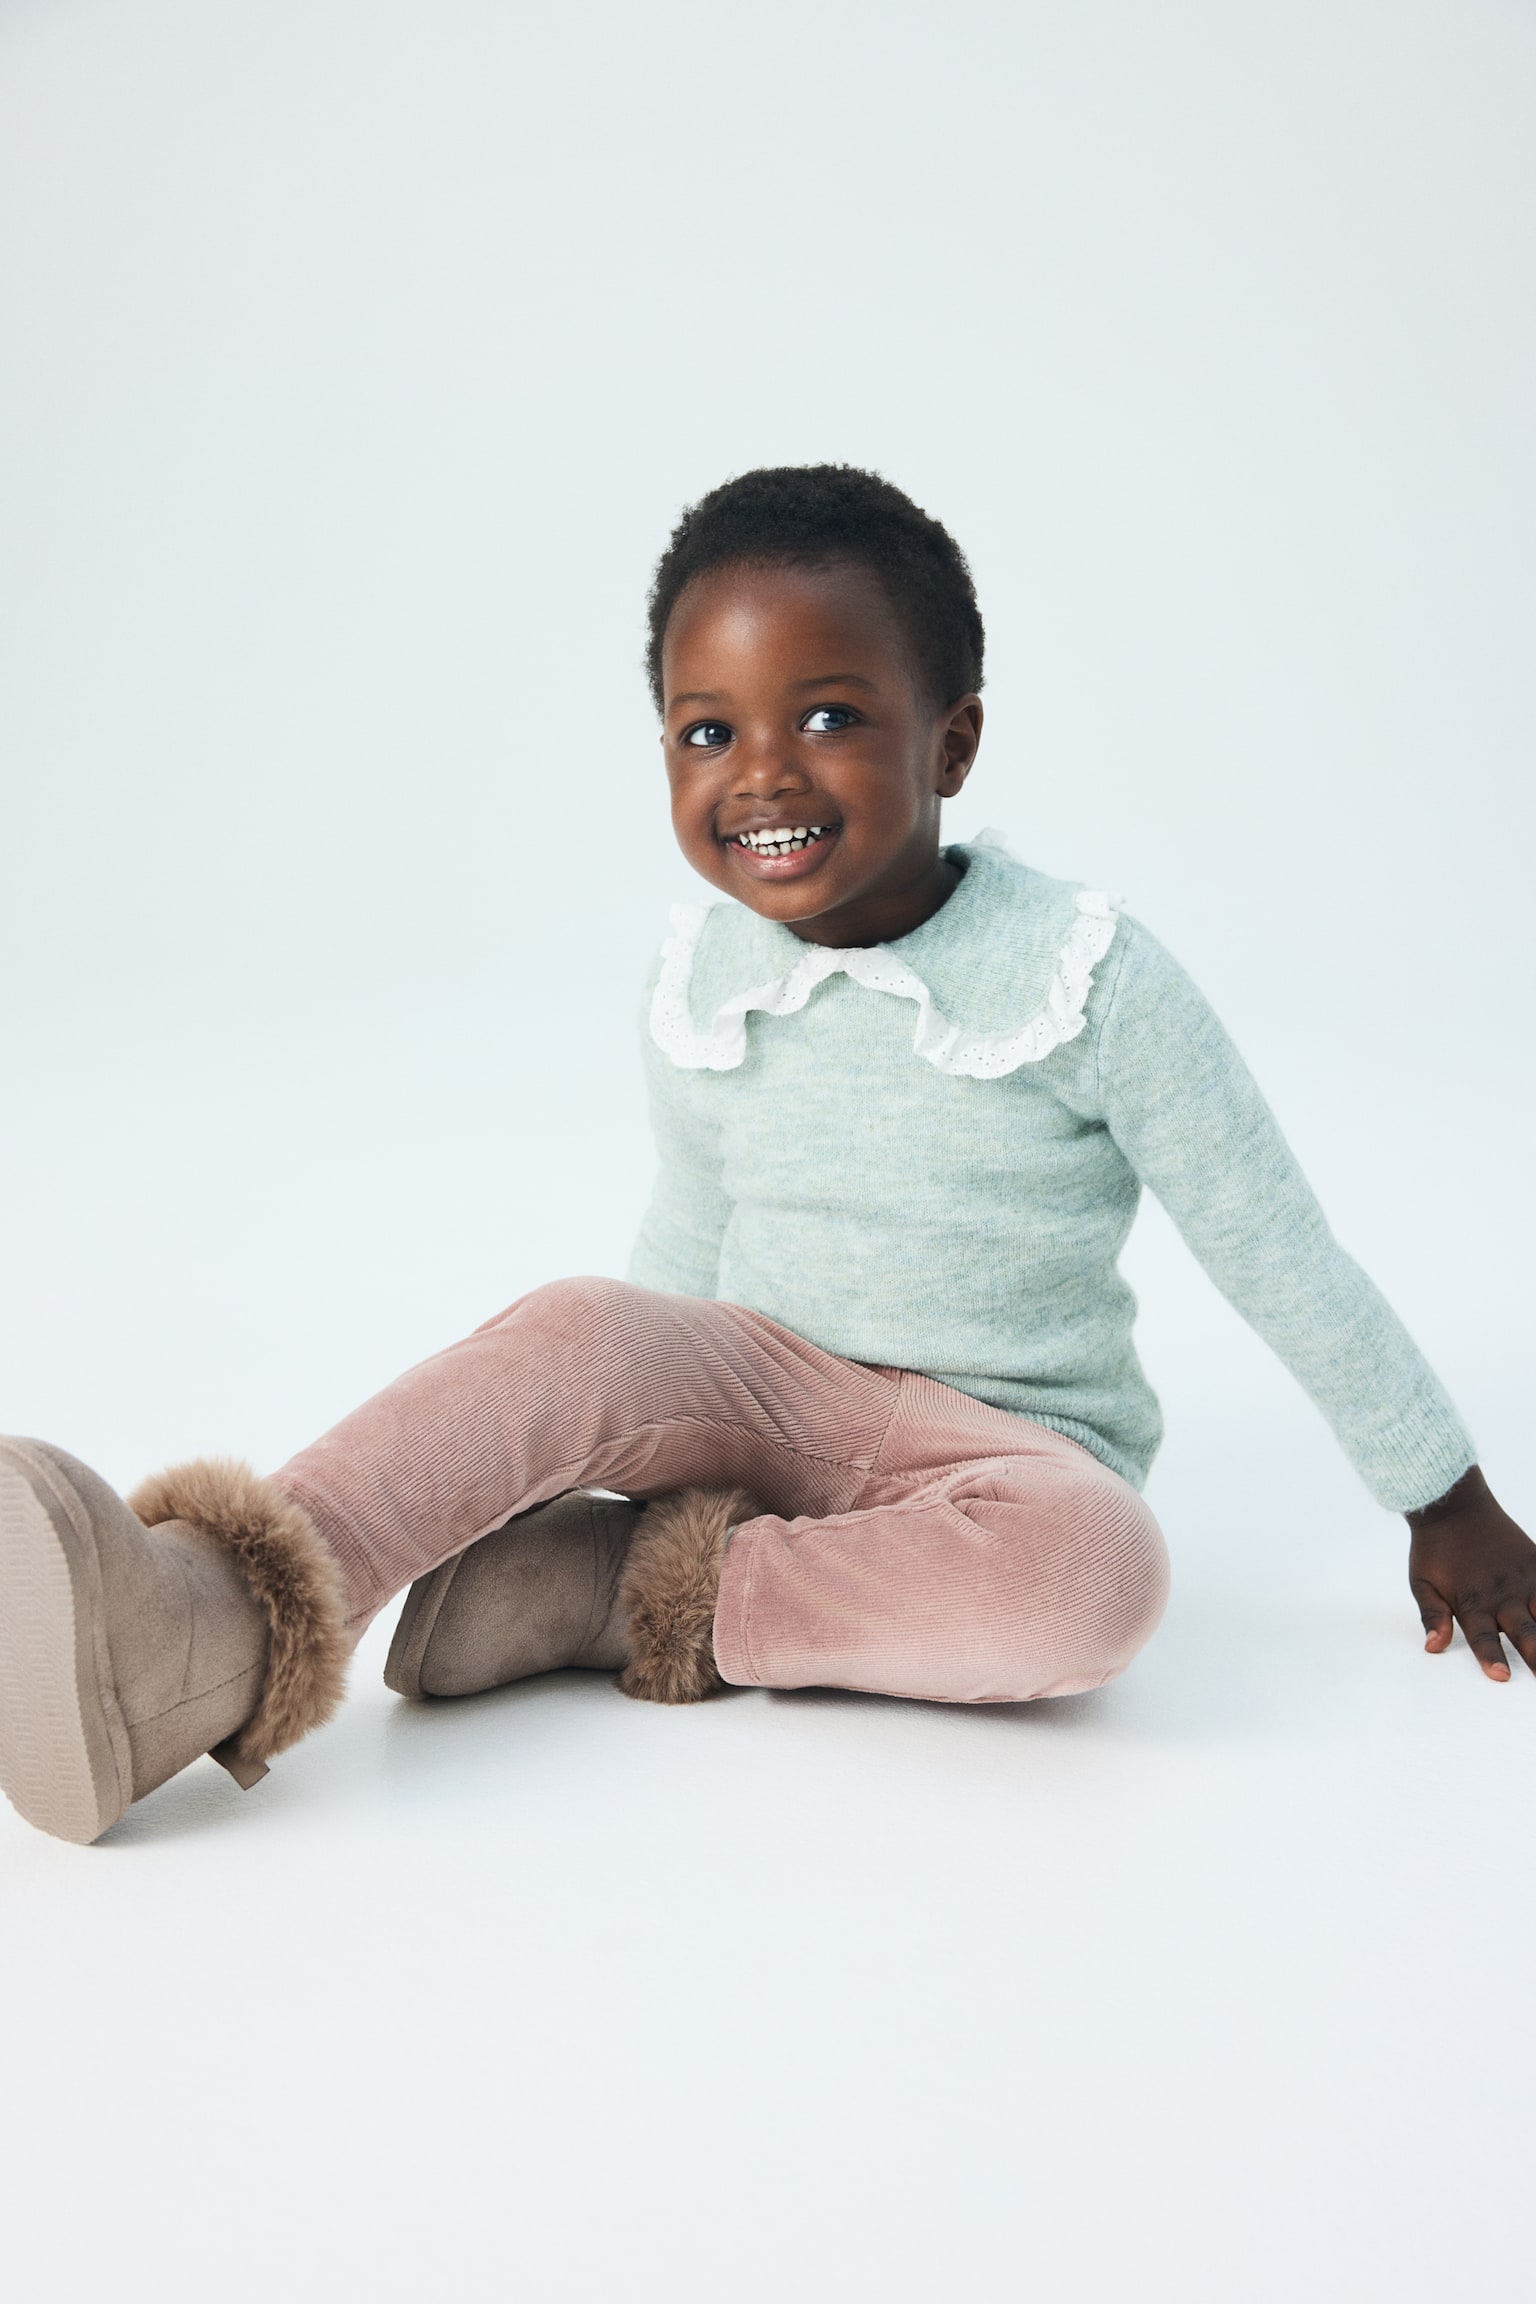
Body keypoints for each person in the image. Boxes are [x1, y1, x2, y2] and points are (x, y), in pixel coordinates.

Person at [2, 464, 1531, 1849]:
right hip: (760, 1400)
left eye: (831, 717)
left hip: (1000, 1461)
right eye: (708, 731)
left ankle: (615, 1592)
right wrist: (581, 1434)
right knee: (582, 1324)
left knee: (1099, 1577)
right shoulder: (704, 979)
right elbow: (683, 1250)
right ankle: (200, 1630)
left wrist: (1441, 1495)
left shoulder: (1090, 977)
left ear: (954, 739)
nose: (763, 774)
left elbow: (1276, 1248)